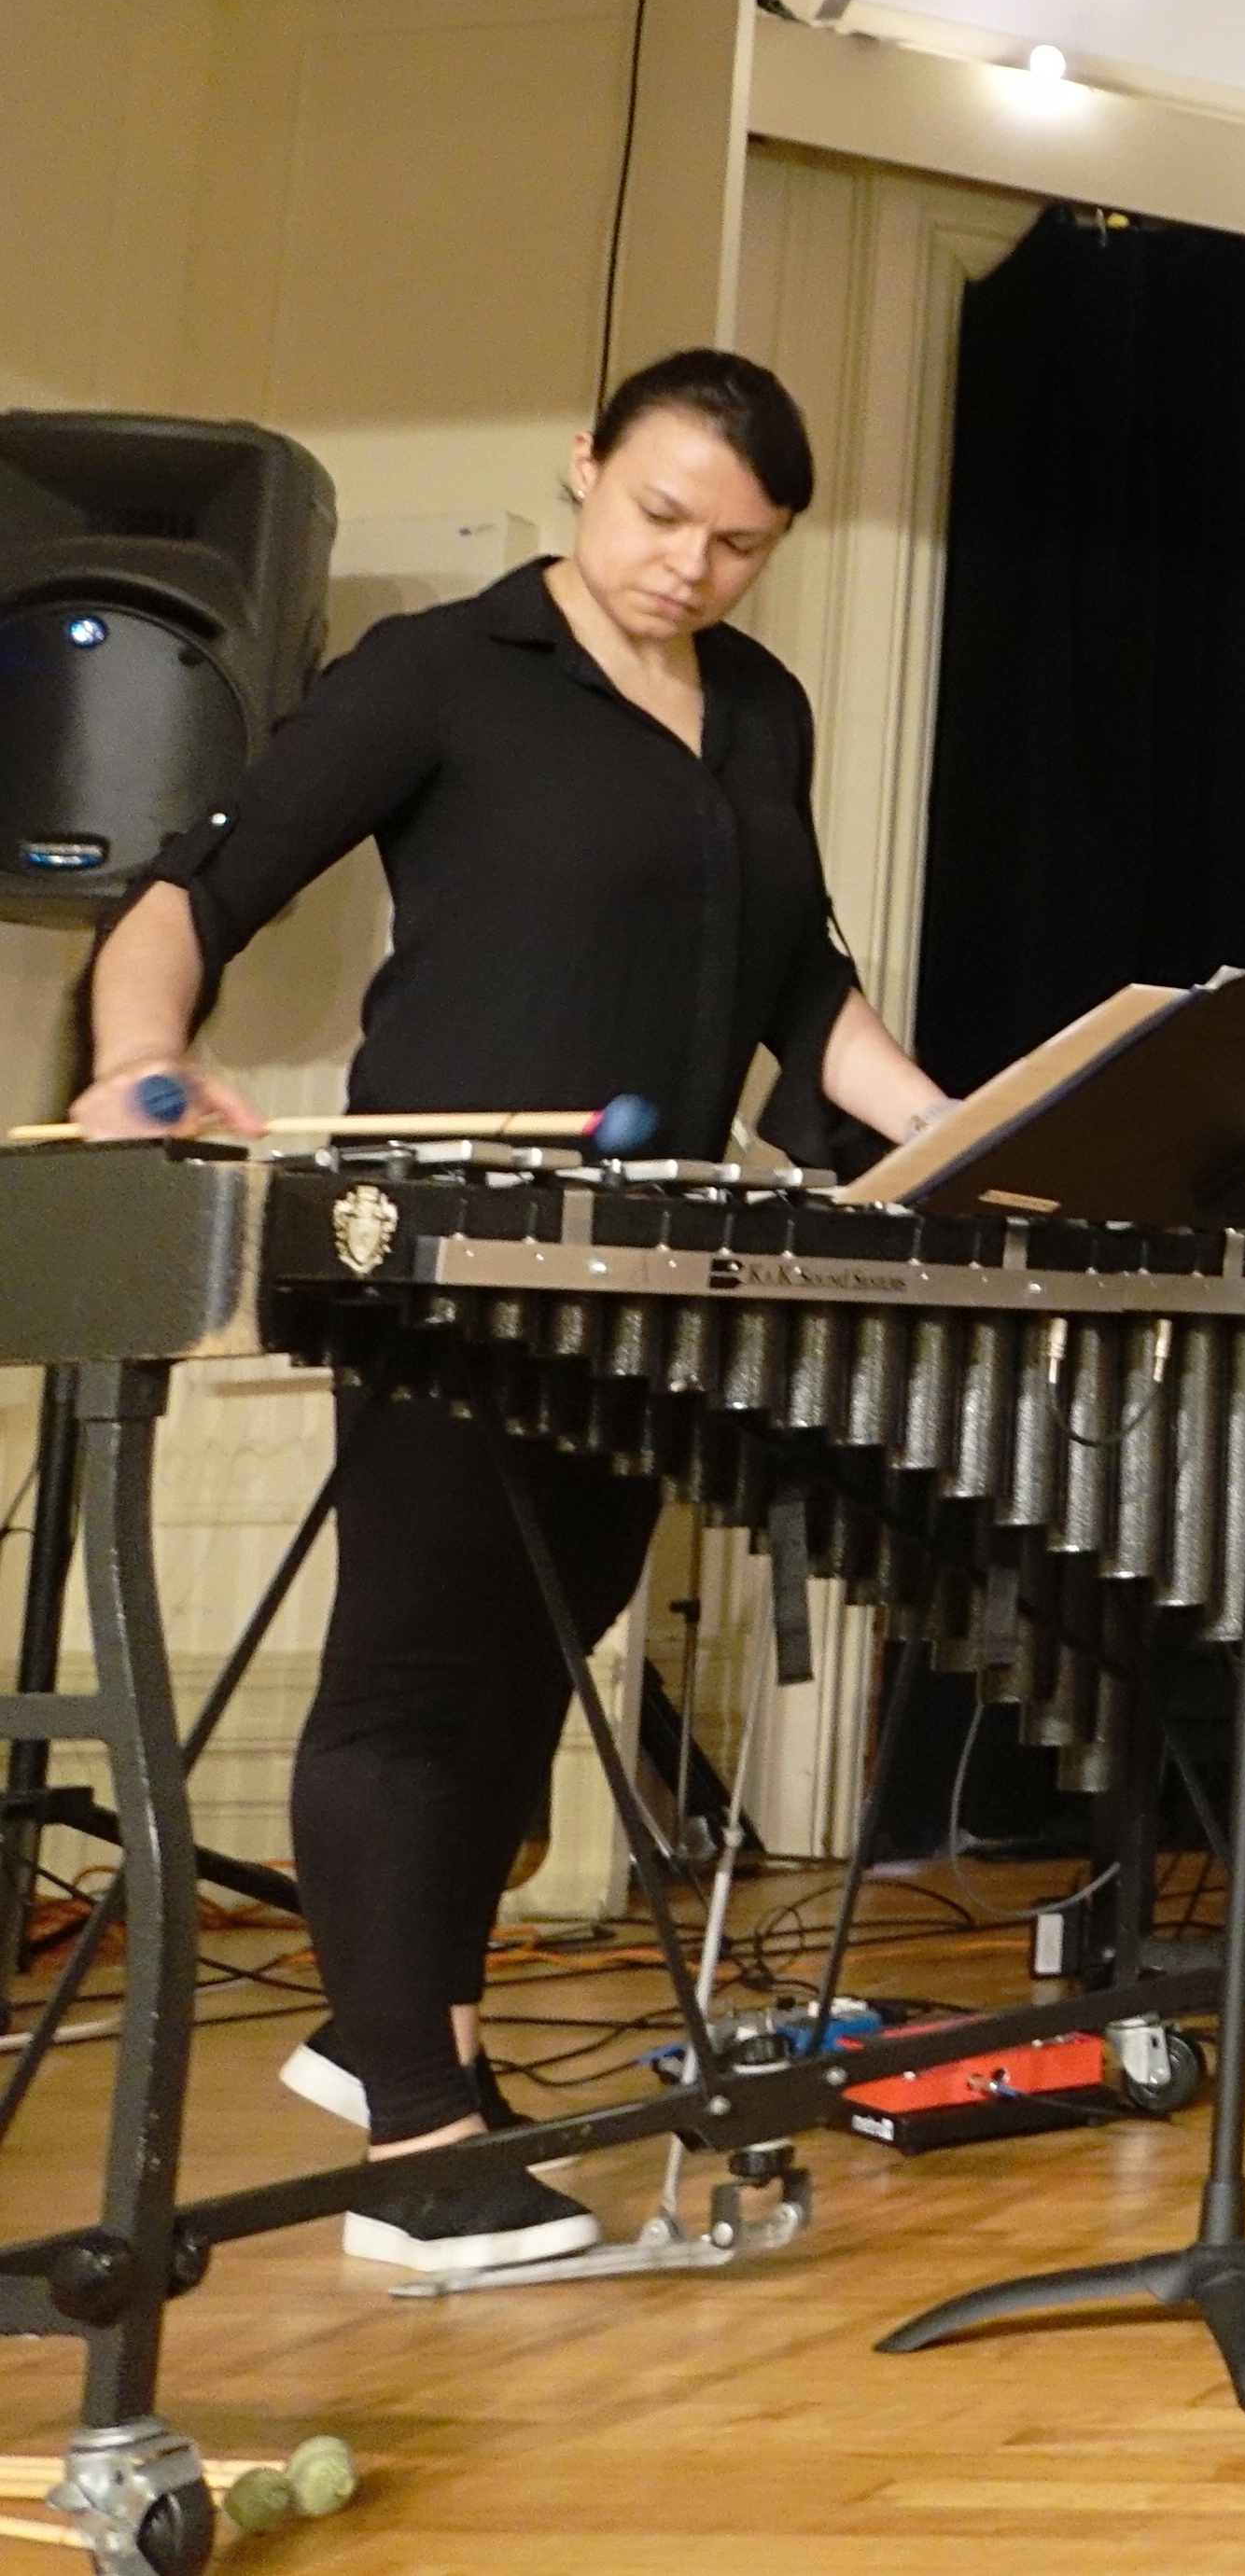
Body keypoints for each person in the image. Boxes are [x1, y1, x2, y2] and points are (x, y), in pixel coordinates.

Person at [71, 350, 952, 2271]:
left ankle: (397, 2030)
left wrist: (952, 1132)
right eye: (659, 517)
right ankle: (418, 2150)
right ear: (584, 468)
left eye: (737, 546)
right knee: (416, 1667)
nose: (688, 569)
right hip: (441, 1244)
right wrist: (142, 1059)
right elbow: (205, 887)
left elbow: (797, 981)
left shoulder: (760, 709)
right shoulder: (447, 675)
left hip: (636, 1261)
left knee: (542, 1656)